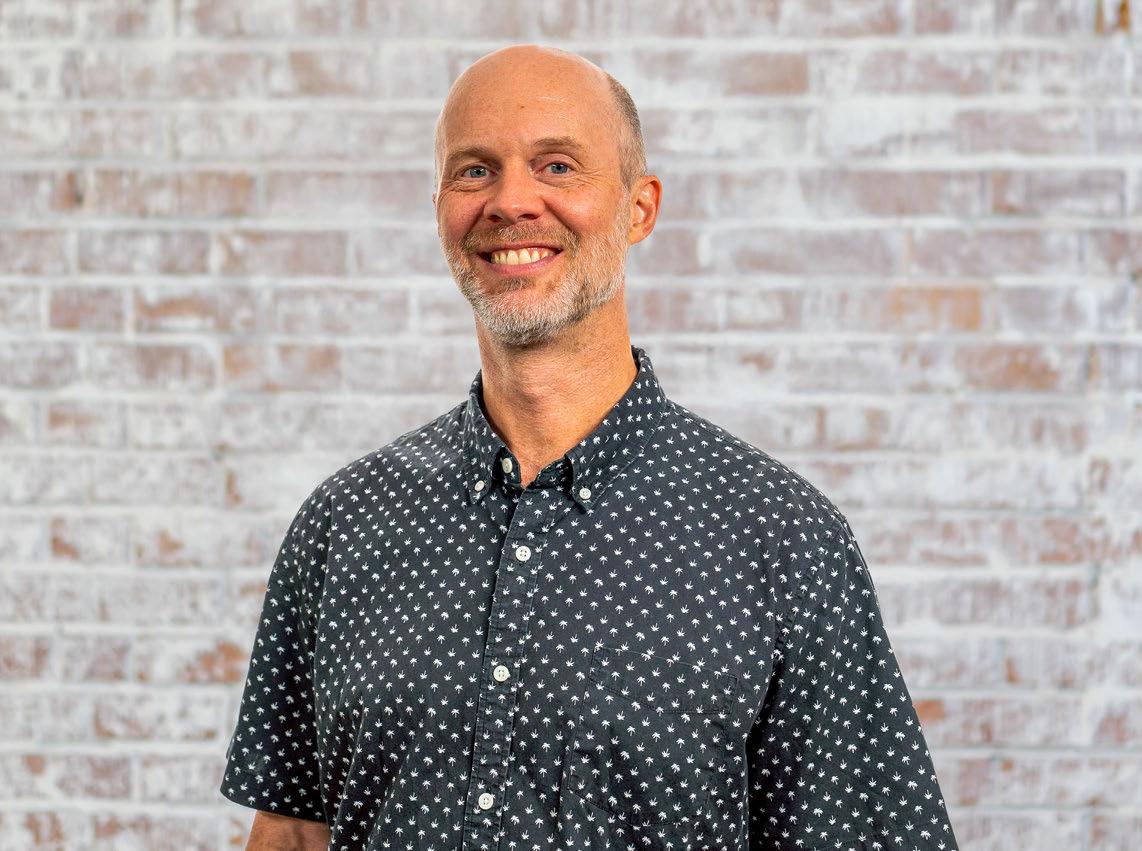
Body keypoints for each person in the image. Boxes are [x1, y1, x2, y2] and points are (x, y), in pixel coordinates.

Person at [220, 44, 960, 851]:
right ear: (438, 208)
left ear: (639, 208)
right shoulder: (342, 524)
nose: (511, 201)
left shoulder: (782, 541)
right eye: (475, 170)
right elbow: (292, 833)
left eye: (557, 166)